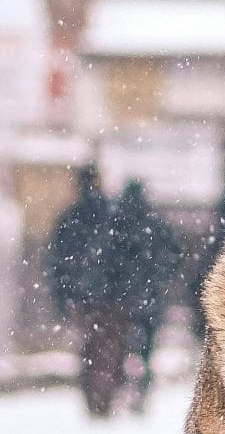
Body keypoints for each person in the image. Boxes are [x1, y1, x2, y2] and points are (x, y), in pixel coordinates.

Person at [46, 167, 128, 418]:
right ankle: (106, 392)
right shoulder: (112, 215)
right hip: (111, 295)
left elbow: (57, 263)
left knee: (89, 347)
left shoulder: (69, 218)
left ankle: (93, 394)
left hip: (82, 297)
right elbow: (125, 257)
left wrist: (63, 297)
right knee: (110, 346)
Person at [110, 178, 180, 413]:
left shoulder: (118, 225)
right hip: (151, 297)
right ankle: (141, 388)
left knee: (121, 347)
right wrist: (160, 276)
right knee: (146, 348)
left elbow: (109, 261)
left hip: (124, 298)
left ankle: (125, 387)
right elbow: (173, 255)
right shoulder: (155, 224)